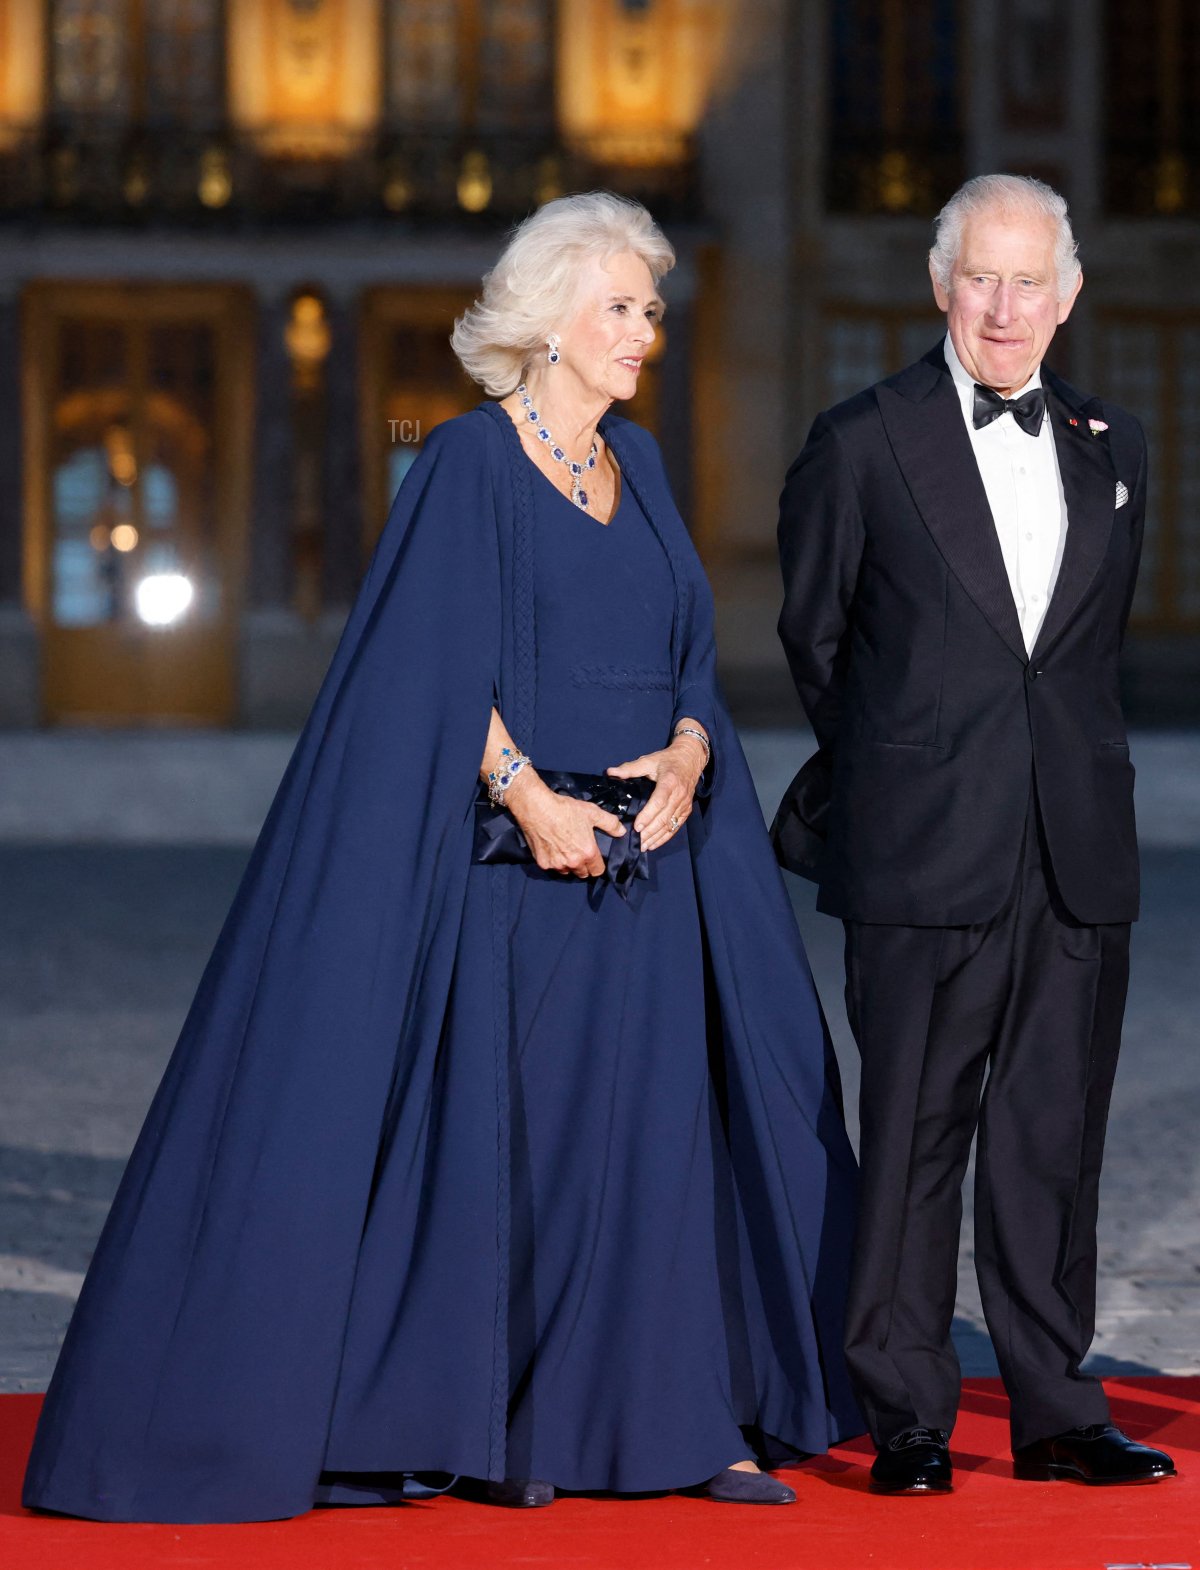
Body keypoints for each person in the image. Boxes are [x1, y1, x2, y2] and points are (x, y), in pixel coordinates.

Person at [23, 192, 861, 1524]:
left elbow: (692, 656)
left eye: (651, 305)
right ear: (546, 321)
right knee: (524, 1159)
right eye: (624, 306)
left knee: (656, 1157)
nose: (647, 327)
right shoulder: (469, 463)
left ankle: (677, 1417)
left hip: (651, 875)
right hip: (520, 878)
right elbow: (422, 663)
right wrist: (529, 797)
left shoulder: (639, 467)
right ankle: (508, 1424)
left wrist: (693, 764)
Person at [774, 173, 1176, 1495]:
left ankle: (1058, 1404)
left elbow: (1079, 653)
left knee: (1052, 1132)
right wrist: (911, 765)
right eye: (981, 278)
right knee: (910, 1133)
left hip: (1074, 843)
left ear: (1066, 299)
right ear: (942, 286)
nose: (1004, 307)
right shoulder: (860, 439)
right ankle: (905, 1412)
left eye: (1030, 282)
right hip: (920, 840)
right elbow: (816, 643)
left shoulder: (1112, 448)